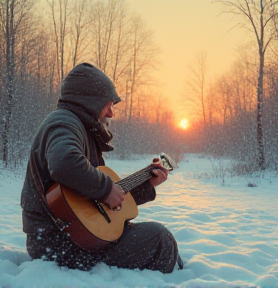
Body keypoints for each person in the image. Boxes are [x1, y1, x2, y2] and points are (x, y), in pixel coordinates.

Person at [20, 62, 183, 273]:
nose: (112, 113)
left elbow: (97, 205)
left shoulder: (77, 127)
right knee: (159, 239)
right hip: (57, 244)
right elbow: (64, 163)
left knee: (159, 240)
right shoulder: (64, 122)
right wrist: (106, 189)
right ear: (91, 102)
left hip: (73, 238)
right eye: (108, 105)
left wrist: (147, 184)